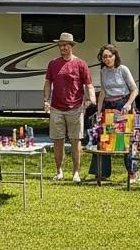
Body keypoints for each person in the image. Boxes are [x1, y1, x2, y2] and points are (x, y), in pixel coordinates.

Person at [42, 32, 96, 184]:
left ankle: (76, 173)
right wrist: (46, 100)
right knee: (57, 140)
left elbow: (88, 85)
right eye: (60, 45)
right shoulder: (53, 64)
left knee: (76, 140)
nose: (63, 48)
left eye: (65, 45)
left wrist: (91, 100)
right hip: (56, 108)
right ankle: (59, 171)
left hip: (75, 107)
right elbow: (47, 83)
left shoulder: (80, 64)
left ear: (71, 46)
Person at [91, 43, 139, 184]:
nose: (107, 59)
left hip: (122, 105)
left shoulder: (123, 69)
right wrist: (99, 111)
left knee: (124, 141)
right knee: (105, 139)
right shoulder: (103, 71)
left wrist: (128, 103)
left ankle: (132, 173)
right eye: (104, 57)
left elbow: (134, 89)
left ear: (115, 56)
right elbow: (103, 92)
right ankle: (102, 173)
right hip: (108, 105)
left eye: (109, 56)